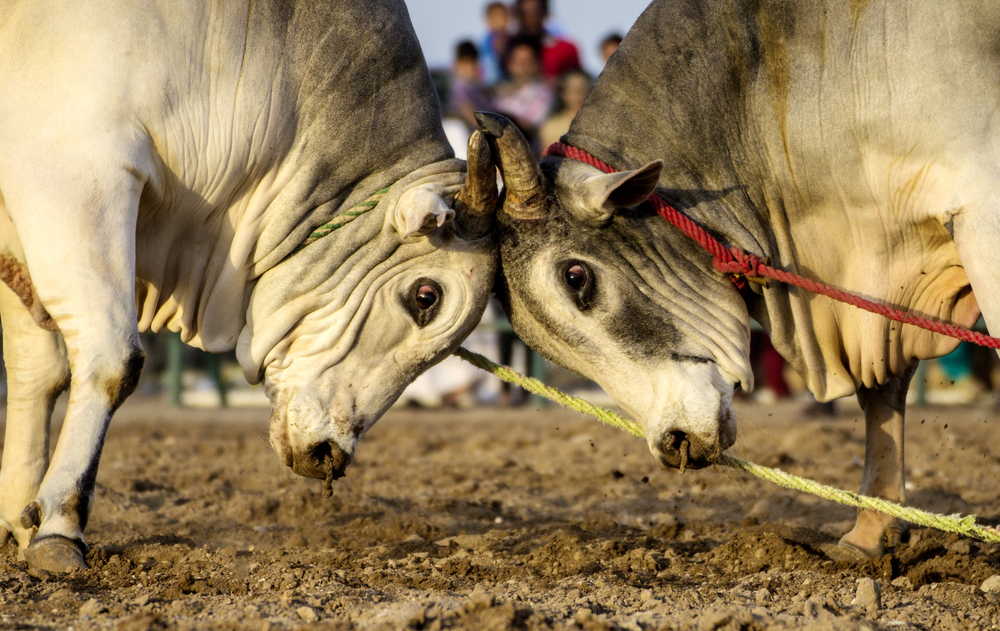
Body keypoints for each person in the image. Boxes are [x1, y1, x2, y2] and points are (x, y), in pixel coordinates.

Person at [492, 35, 554, 150]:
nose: (521, 66)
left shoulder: (544, 93)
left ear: (537, 63)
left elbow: (531, 124)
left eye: (527, 61)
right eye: (517, 60)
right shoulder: (501, 94)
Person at [512, 0, 581, 83]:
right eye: (524, 14)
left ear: (545, 13)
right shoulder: (506, 48)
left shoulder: (566, 49)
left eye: (535, 13)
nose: (530, 19)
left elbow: (576, 82)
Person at [538, 69, 592, 150]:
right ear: (563, 94)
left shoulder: (603, 124)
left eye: (584, 89)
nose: (580, 94)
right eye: (575, 90)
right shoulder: (551, 127)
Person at [448, 40, 492, 130]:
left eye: (472, 63)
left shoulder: (474, 86)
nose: (468, 67)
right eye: (464, 63)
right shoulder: (460, 87)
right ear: (456, 64)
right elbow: (467, 109)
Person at [480, 2, 512, 85]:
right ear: (488, 20)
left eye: (502, 16)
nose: (499, 21)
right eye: (494, 17)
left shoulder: (512, 39)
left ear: (508, 18)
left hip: (510, 82)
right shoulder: (484, 42)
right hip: (490, 84)